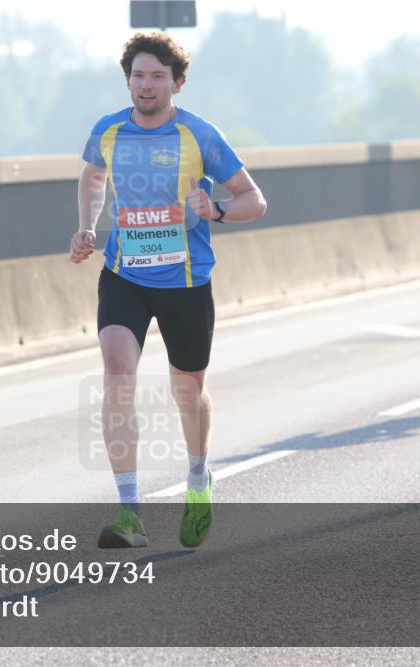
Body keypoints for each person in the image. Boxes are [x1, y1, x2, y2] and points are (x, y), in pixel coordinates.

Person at [70, 32, 267, 548]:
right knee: (118, 374)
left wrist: (216, 209)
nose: (146, 85)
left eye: (158, 76)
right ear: (127, 80)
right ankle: (129, 511)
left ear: (177, 83)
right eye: (138, 75)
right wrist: (87, 226)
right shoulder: (108, 131)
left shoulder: (199, 135)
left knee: (188, 391)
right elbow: (92, 178)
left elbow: (254, 200)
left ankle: (198, 480)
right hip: (124, 276)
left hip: (186, 281)